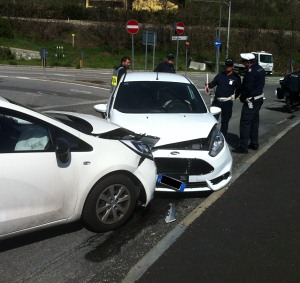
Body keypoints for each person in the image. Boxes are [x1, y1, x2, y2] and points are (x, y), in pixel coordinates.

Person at [234, 53, 265, 154]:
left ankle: (243, 146)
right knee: (254, 122)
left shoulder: (251, 72)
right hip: (259, 98)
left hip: (251, 100)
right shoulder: (260, 68)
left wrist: (242, 97)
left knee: (245, 123)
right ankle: (254, 143)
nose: (242, 63)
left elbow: (247, 87)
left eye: (243, 61)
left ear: (248, 62)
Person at [207, 58, 241, 138]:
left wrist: (234, 97)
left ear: (232, 66)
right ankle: (211, 137)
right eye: (227, 65)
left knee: (225, 122)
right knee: (213, 120)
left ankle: (222, 138)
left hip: (227, 102)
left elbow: (239, 89)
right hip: (217, 101)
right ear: (224, 66)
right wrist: (208, 85)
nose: (228, 67)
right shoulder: (220, 75)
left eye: (230, 65)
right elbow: (212, 85)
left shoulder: (236, 78)